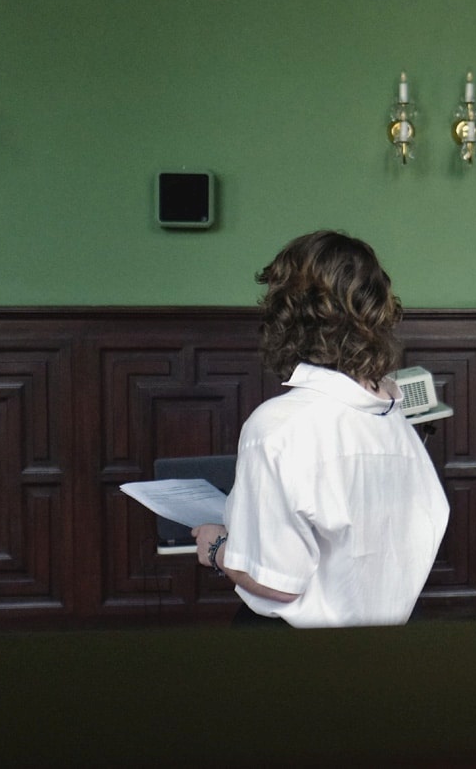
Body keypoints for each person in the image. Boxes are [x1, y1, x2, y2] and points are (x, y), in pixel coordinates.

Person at [192, 230, 449, 628]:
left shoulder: (277, 426)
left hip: (303, 646)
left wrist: (218, 547)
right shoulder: (393, 416)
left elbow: (276, 582)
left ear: (285, 315)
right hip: (394, 639)